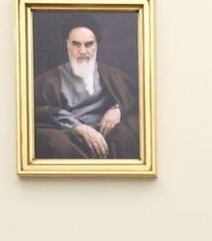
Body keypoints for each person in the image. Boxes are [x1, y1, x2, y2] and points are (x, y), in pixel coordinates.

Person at [34, 16, 140, 159]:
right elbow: (41, 111)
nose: (83, 51)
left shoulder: (112, 74)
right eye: (76, 44)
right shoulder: (49, 80)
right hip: (71, 137)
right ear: (67, 45)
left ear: (97, 45)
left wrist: (117, 110)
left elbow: (135, 99)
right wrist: (79, 128)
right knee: (52, 142)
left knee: (132, 131)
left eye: (89, 44)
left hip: (109, 135)